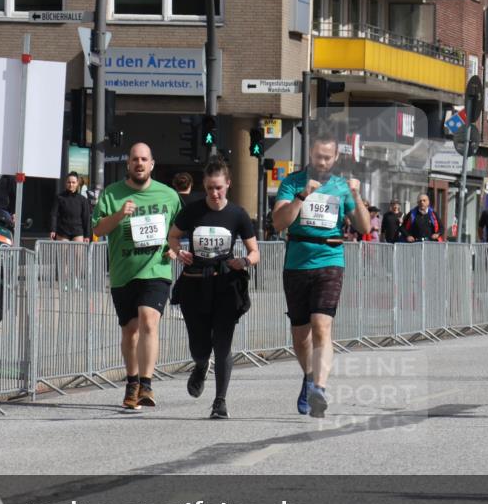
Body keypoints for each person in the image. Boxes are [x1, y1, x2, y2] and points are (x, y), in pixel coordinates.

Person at [272, 128, 371, 418]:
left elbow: (364, 227)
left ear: (336, 156)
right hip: (297, 261)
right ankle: (309, 376)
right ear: (310, 155)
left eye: (328, 157)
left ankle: (319, 388)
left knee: (321, 326)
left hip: (330, 258)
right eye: (318, 157)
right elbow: (279, 222)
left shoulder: (342, 187)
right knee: (300, 334)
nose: (323, 162)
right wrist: (302, 196)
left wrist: (356, 195)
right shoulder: (292, 183)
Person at [91, 143, 182, 411]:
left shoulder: (168, 195)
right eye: (135, 159)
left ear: (152, 164)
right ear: (128, 164)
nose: (139, 163)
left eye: (144, 159)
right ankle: (132, 383)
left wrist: (175, 248)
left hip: (156, 269)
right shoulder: (112, 194)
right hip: (123, 272)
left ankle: (147, 383)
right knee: (130, 332)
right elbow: (98, 228)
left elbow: (178, 230)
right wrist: (120, 215)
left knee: (149, 320)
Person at [168, 158, 259, 419]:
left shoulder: (237, 214)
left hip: (225, 284)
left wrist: (243, 261)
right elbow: (173, 236)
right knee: (199, 347)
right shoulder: (193, 211)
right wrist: (178, 251)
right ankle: (199, 365)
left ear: (228, 184)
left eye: (218, 187)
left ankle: (220, 401)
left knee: (222, 345)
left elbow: (255, 253)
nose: (214, 193)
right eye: (209, 188)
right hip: (195, 285)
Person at [49, 172, 92, 242]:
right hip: (62, 232)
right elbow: (54, 215)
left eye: (73, 182)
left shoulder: (83, 200)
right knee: (62, 253)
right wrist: (53, 229)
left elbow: (86, 218)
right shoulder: (59, 197)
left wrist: (87, 235)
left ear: (77, 183)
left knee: (78, 253)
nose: (71, 184)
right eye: (69, 182)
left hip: (78, 232)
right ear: (66, 183)